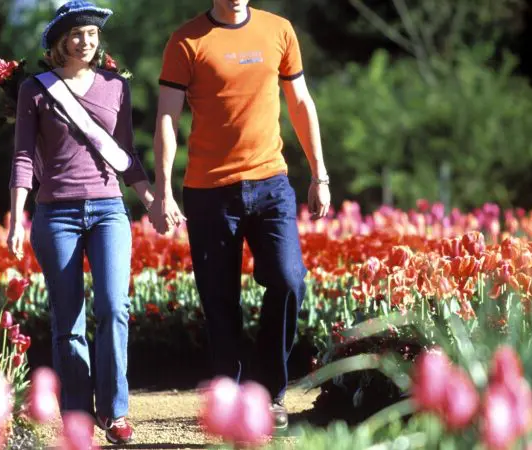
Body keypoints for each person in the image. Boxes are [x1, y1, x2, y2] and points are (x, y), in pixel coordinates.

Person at [150, 0, 331, 430]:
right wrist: (163, 189)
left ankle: (269, 392)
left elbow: (301, 102)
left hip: (271, 183)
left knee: (289, 279)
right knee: (219, 302)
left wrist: (319, 173)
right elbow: (167, 119)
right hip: (208, 191)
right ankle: (229, 400)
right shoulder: (186, 41)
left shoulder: (279, 31)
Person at [6, 0, 151, 444]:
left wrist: (151, 197)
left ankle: (115, 410)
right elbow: (24, 157)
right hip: (56, 215)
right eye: (77, 34)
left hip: (109, 210)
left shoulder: (116, 87)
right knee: (67, 320)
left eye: (92, 34)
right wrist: (16, 219)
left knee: (113, 307)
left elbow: (124, 153)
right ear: (59, 42)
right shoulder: (35, 89)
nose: (86, 41)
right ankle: (76, 414)